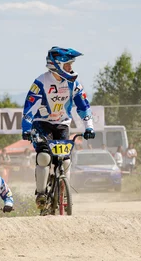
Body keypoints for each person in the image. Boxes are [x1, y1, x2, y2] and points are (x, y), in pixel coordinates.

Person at [21, 46, 95, 209]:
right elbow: (29, 107)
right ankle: (41, 194)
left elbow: (83, 105)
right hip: (42, 123)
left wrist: (88, 126)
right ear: (57, 65)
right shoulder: (41, 81)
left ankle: (63, 192)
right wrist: (26, 128)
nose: (71, 68)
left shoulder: (74, 83)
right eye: (68, 64)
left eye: (71, 64)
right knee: (44, 158)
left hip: (62, 124)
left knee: (65, 160)